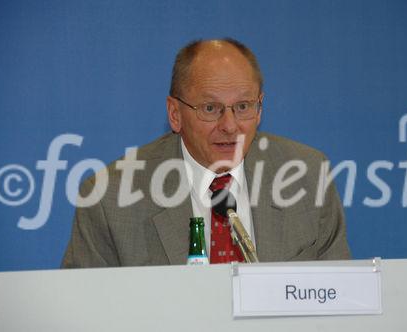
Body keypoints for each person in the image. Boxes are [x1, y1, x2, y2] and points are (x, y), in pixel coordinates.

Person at [61, 38, 350, 268]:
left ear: (260, 108)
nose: (230, 126)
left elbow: (340, 300)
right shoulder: (109, 197)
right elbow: (84, 310)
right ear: (175, 114)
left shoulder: (307, 176)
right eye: (210, 109)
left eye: (243, 106)